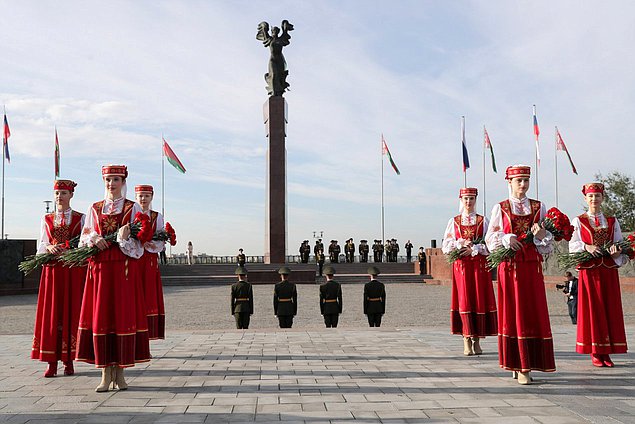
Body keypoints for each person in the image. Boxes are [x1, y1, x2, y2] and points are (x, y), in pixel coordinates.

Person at [76, 165, 150, 392]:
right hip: (99, 270)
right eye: (108, 179)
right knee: (101, 316)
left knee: (122, 317)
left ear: (123, 181)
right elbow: (84, 235)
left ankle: (121, 372)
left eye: (116, 179)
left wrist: (125, 238)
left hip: (123, 270)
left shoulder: (132, 207)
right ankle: (105, 373)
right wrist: (94, 238)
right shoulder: (94, 208)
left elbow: (139, 245)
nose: (111, 183)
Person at [485, 165, 555, 385]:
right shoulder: (501, 207)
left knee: (531, 311)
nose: (523, 185)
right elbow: (491, 237)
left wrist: (543, 235)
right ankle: (518, 364)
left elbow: (548, 243)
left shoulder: (538, 206)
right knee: (512, 312)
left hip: (531, 267)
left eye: (526, 180)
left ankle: (529, 362)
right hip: (510, 267)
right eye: (519, 181)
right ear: (510, 182)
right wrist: (506, 239)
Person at [31, 179, 87, 378]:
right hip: (53, 271)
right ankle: (51, 362)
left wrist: (71, 249)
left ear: (71, 195)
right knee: (52, 313)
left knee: (71, 311)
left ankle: (69, 361)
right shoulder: (46, 219)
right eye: (57, 193)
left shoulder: (81, 218)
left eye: (63, 193)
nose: (59, 197)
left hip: (71, 270)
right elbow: (43, 244)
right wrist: (49, 248)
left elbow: (84, 243)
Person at [569, 183, 628, 367]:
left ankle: (607, 351)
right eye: (591, 196)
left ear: (603, 198)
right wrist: (586, 247)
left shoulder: (612, 221)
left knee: (609, 309)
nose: (594, 199)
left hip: (608, 271)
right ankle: (596, 351)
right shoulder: (578, 221)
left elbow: (620, 244)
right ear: (585, 198)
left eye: (598, 196)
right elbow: (573, 245)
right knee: (593, 310)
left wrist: (617, 251)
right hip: (590, 272)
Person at [442, 187, 497, 356]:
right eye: (466, 198)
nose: (468, 202)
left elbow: (491, 244)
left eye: (471, 198)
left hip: (479, 267)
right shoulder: (454, 221)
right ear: (461, 200)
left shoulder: (483, 221)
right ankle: (466, 337)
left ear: (475, 200)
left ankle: (477, 340)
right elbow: (446, 246)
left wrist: (475, 248)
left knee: (478, 299)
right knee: (464, 300)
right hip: (462, 268)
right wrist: (459, 245)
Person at [134, 184, 166, 341]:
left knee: (148, 297)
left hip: (149, 261)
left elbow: (161, 240)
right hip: (133, 259)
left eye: (146, 196)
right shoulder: (131, 215)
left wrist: (151, 244)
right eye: (140, 196)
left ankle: (146, 339)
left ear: (151, 197)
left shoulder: (156, 216)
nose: (143, 199)